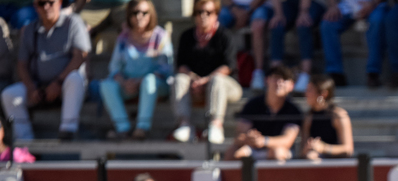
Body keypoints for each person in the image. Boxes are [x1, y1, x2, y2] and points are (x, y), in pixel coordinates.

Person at [0, 0, 91, 142]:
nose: (47, 7)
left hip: (65, 85)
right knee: (9, 94)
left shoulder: (73, 22)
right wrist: (31, 88)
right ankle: (25, 142)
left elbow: (80, 56)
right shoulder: (30, 29)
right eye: (42, 3)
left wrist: (58, 83)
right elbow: (22, 63)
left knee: (75, 79)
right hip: (39, 86)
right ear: (35, 6)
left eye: (51, 2)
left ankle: (68, 130)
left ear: (60, 3)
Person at [100, 0, 173, 140]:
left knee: (149, 81)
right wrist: (124, 82)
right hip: (128, 84)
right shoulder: (123, 37)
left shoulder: (160, 36)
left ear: (151, 14)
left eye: (144, 13)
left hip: (155, 85)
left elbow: (166, 68)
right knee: (106, 85)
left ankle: (142, 127)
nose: (140, 16)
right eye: (135, 13)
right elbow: (114, 67)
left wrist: (140, 81)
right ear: (129, 15)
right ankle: (123, 128)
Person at [172, 0, 242, 145]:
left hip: (226, 86)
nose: (203, 16)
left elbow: (228, 66)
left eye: (208, 12)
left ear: (216, 14)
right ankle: (184, 124)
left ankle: (215, 125)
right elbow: (181, 65)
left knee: (217, 80)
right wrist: (194, 79)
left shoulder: (225, 36)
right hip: (195, 84)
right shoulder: (186, 36)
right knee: (179, 79)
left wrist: (207, 80)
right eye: (199, 12)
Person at [225, 65, 303, 161]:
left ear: (292, 86)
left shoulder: (293, 110)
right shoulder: (253, 104)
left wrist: (264, 141)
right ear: (267, 80)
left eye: (285, 79)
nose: (280, 83)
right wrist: (249, 138)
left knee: (276, 152)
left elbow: (287, 141)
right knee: (233, 152)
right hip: (253, 149)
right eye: (276, 78)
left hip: (280, 151)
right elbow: (239, 136)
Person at [255, 0, 326, 94]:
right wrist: (278, 13)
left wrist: (303, 12)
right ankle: (276, 74)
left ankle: (305, 74)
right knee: (277, 24)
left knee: (304, 24)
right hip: (288, 4)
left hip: (313, 4)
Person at [318, 0, 379, 87]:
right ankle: (335, 74)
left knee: (377, 21)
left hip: (375, 5)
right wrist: (333, 5)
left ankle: (373, 73)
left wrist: (372, 3)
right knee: (327, 24)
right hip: (347, 7)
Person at [301, 75, 353, 159]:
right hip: (314, 162)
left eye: (310, 90)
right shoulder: (308, 117)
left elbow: (348, 149)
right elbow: (302, 152)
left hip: (337, 164)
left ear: (323, 94)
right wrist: (308, 148)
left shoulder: (338, 115)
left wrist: (324, 148)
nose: (306, 94)